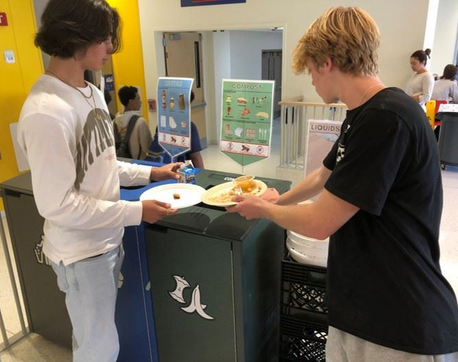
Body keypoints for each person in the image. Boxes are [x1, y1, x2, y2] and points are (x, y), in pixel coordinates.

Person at [228, 6, 458, 361]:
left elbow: (321, 222)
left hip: (399, 318)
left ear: (327, 62)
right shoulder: (363, 113)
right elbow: (326, 174)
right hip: (363, 305)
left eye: (310, 70)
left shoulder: (386, 118)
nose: (311, 80)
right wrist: (281, 198)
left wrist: (265, 210)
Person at [16, 1, 181, 361]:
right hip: (81, 253)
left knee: (100, 338)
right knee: (98, 346)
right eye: (105, 38)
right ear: (78, 36)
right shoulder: (46, 111)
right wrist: (136, 211)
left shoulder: (90, 93)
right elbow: (57, 204)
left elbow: (105, 164)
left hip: (105, 241)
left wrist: (151, 172)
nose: (111, 47)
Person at [147, 91, 205, 168]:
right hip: (175, 171)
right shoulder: (189, 127)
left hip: (158, 169)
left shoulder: (162, 124)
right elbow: (195, 157)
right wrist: (202, 176)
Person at [114, 85, 152, 159]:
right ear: (131, 102)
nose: (140, 102)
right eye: (138, 99)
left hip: (121, 164)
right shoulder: (140, 122)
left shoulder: (113, 123)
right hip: (138, 165)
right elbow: (148, 147)